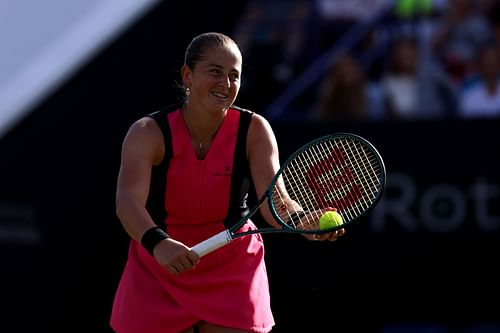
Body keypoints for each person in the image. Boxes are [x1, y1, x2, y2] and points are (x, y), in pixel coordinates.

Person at [110, 32, 344, 333]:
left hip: (232, 268)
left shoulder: (255, 130)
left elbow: (277, 202)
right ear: (187, 75)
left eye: (234, 75)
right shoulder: (147, 132)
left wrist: (302, 220)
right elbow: (127, 201)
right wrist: (159, 244)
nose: (225, 83)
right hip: (160, 262)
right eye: (215, 72)